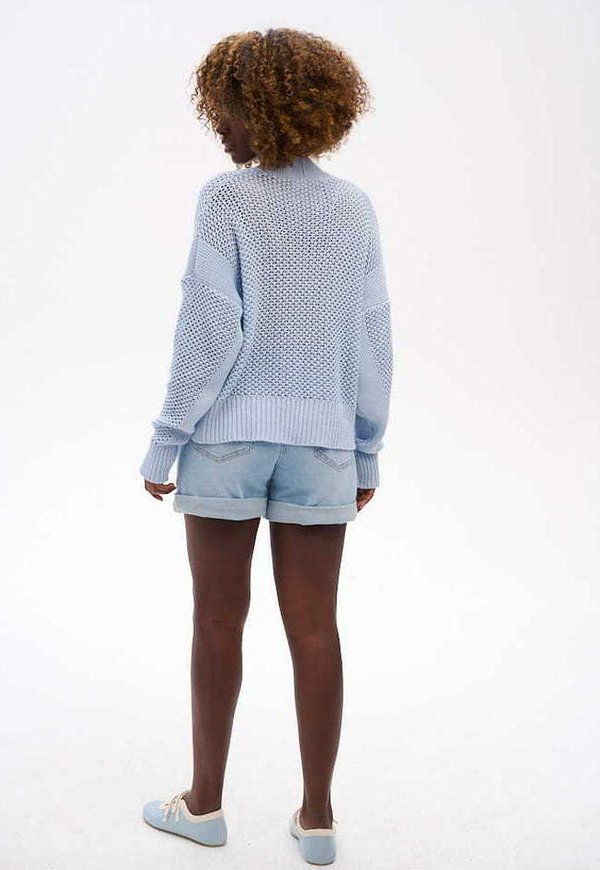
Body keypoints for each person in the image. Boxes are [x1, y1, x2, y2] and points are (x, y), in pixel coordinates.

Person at [139, 27, 394, 866]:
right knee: (315, 628)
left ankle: (204, 807)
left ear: (269, 109)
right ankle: (317, 819)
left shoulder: (227, 200)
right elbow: (370, 332)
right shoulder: (353, 207)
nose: (218, 125)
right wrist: (365, 448)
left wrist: (166, 439)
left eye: (229, 109)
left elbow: (210, 326)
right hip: (322, 446)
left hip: (227, 440)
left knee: (217, 620)